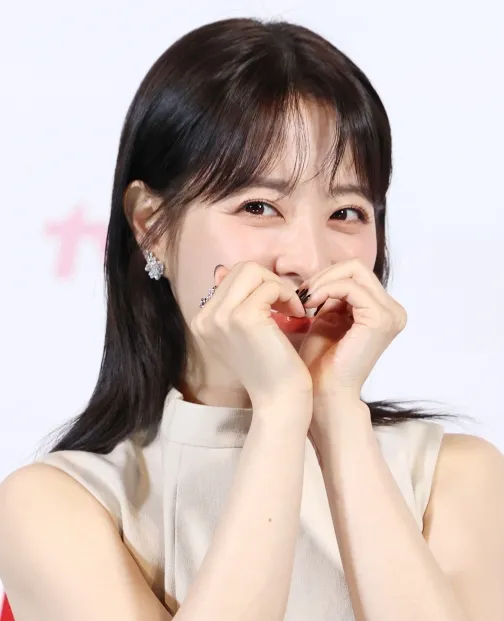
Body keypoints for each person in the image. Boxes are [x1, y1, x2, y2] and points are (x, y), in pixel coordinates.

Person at [0, 16, 503, 621]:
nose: (308, 259)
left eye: (346, 212)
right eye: (259, 206)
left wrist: (336, 413)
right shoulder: (62, 506)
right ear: (151, 224)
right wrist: (281, 411)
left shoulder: (454, 477)